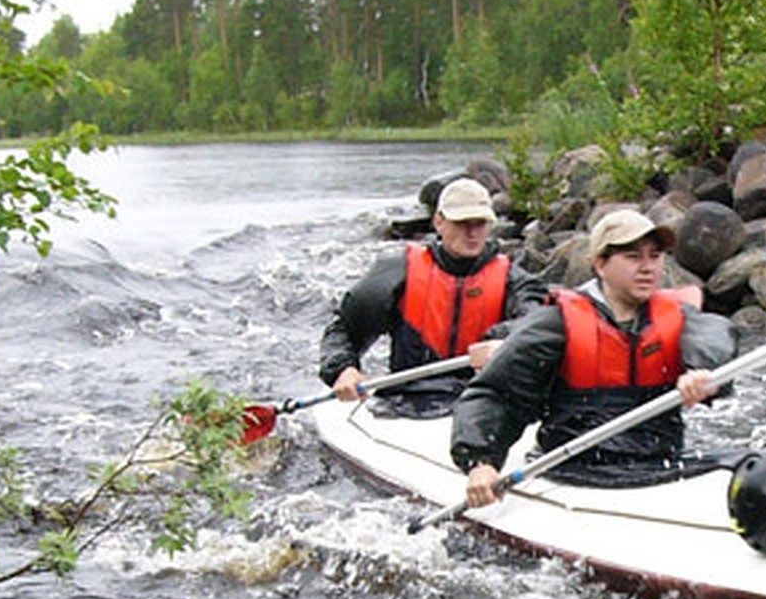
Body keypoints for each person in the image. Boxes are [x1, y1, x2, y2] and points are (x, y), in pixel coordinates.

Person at [451, 208, 742, 508]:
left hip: (659, 462)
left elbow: (716, 333)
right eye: (633, 257)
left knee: (761, 462)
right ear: (600, 264)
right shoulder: (554, 324)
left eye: (654, 256)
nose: (647, 268)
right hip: (579, 470)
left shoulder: (678, 317)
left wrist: (703, 373)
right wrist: (481, 461)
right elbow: (496, 393)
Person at [318, 177, 548, 414]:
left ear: (490, 225)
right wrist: (343, 369)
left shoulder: (515, 280)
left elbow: (537, 323)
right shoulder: (396, 272)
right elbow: (343, 330)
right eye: (462, 222)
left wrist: (503, 339)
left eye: (479, 223)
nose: (472, 232)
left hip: (485, 398)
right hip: (406, 400)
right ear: (439, 222)